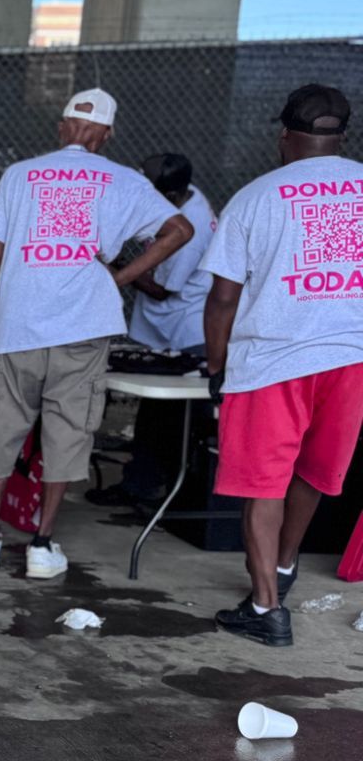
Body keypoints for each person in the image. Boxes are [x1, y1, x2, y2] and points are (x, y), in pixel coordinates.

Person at [0, 89, 193, 579]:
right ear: (106, 134)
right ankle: (42, 545)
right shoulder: (123, 180)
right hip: (85, 326)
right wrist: (122, 278)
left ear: (62, 127)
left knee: (3, 428)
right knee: (67, 434)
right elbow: (179, 230)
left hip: (18, 324)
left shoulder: (19, 175)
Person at [202, 84, 363, 649]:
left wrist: (217, 367)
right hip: (352, 359)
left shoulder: (256, 197)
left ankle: (266, 607)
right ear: (341, 135)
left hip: (272, 360)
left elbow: (223, 298)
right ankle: (286, 565)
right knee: (314, 473)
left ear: (284, 138)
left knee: (262, 484)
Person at [89, 152, 217, 506]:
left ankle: (164, 494)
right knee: (152, 417)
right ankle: (141, 484)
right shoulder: (183, 193)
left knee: (176, 422)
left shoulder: (189, 228)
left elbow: (162, 289)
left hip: (184, 331)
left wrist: (116, 266)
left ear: (170, 195)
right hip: (162, 328)